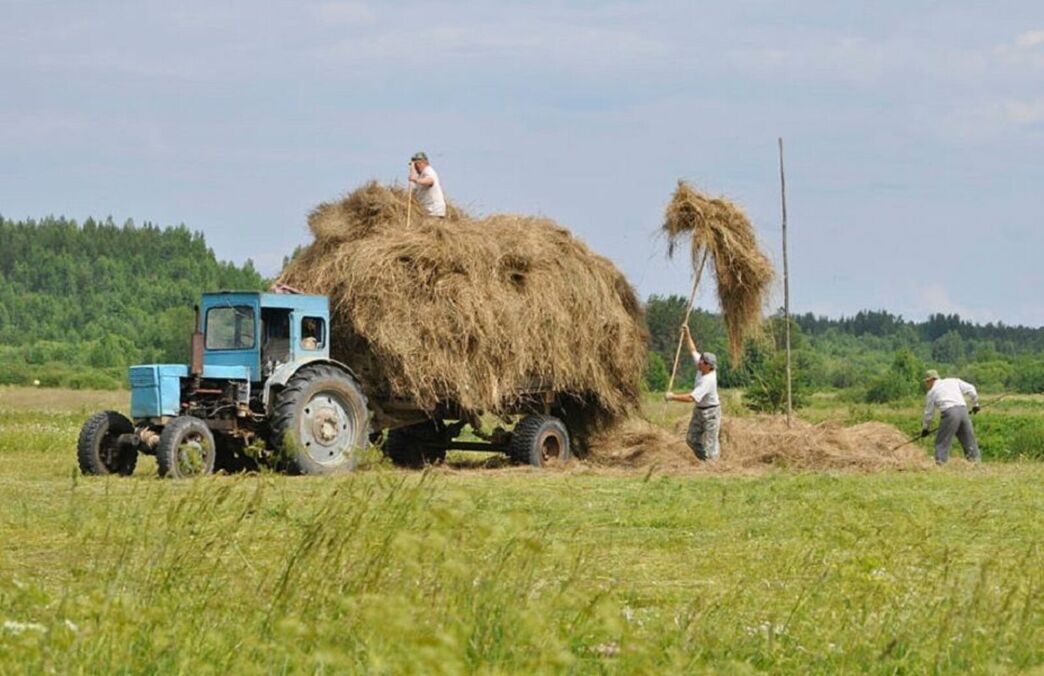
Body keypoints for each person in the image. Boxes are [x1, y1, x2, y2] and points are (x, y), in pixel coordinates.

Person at [665, 325, 720, 461]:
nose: (699, 361)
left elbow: (691, 398)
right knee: (691, 439)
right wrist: (687, 333)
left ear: (709, 366)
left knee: (711, 444)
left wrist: (672, 397)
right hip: (699, 411)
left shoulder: (708, 380)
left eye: (703, 361)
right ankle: (704, 460)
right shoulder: (701, 367)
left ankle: (713, 467)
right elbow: (693, 349)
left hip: (711, 413)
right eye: (701, 359)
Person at [921, 369, 981, 465]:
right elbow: (971, 389)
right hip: (963, 411)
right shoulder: (953, 381)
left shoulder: (931, 392)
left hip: (949, 413)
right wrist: (975, 404)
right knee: (968, 439)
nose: (927, 384)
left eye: (927, 382)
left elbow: (929, 413)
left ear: (931, 380)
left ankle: (940, 463)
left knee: (942, 441)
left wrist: (925, 428)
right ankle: (975, 462)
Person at [408, 151, 446, 217]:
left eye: (416, 164)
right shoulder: (421, 175)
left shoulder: (428, 170)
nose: (415, 168)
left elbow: (430, 181)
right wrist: (413, 172)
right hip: (427, 211)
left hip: (434, 211)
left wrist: (416, 180)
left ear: (421, 163)